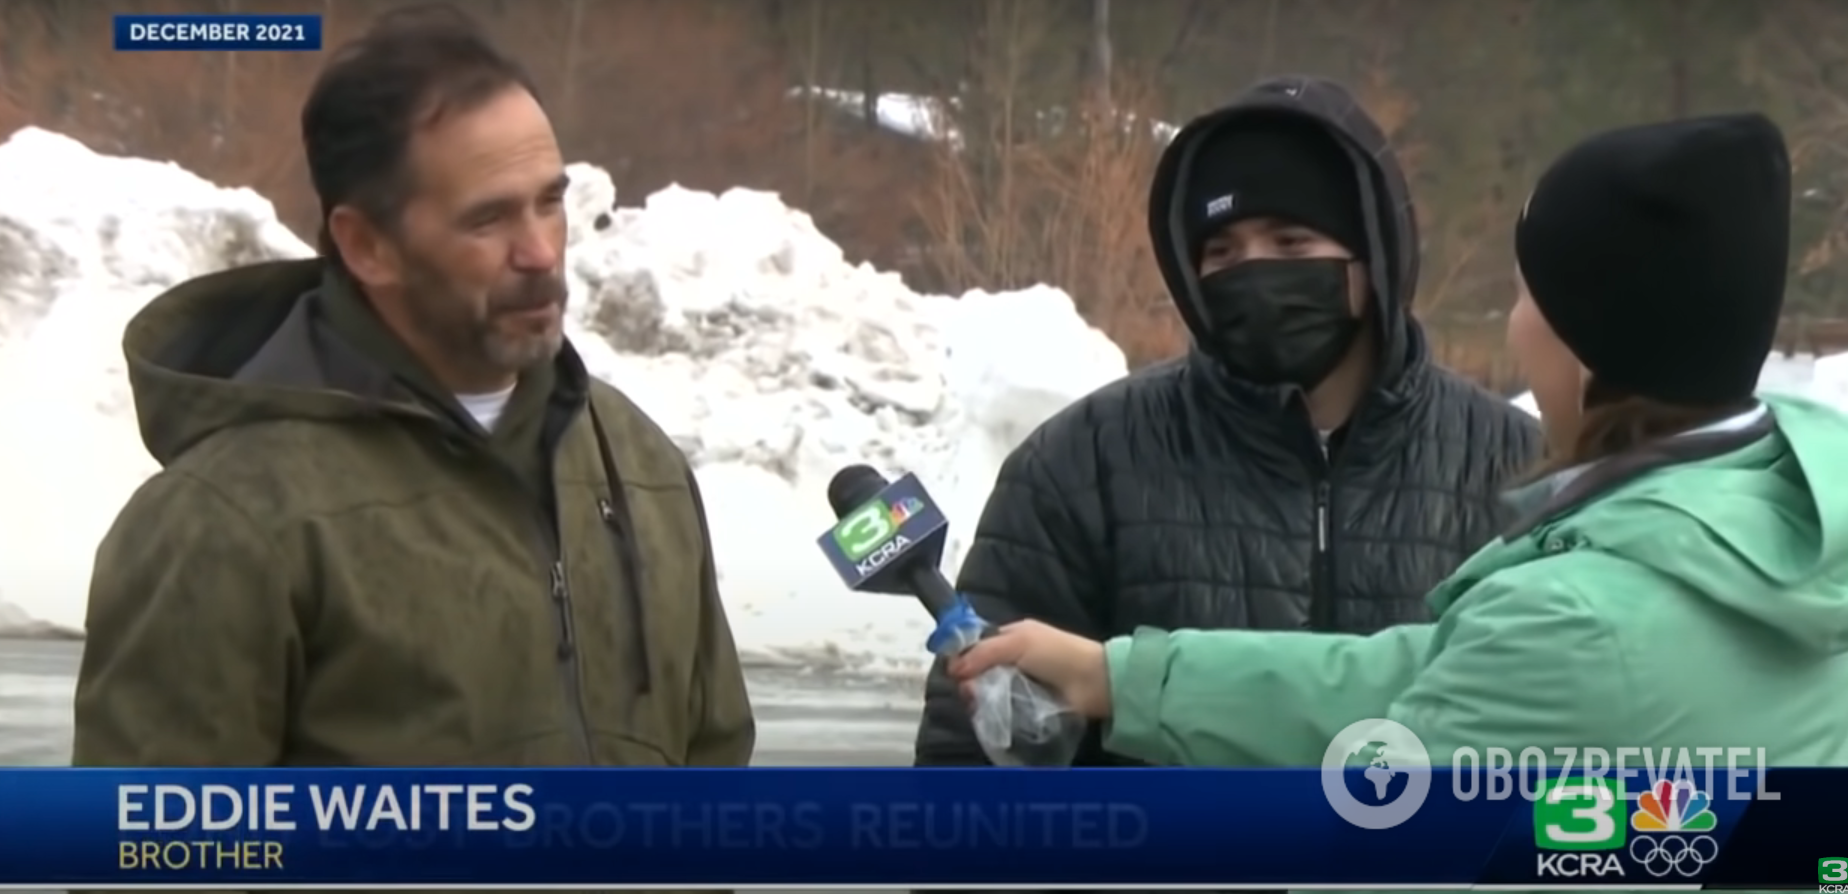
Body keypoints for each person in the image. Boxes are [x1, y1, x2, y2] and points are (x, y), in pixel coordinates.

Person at [947, 114, 1848, 775]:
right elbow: (1417, 673)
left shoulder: (1561, 598)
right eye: (1222, 250)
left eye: (1293, 240)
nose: (1514, 321)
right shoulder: (1792, 535)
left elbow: (1428, 754)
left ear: (1589, 337)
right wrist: (1127, 678)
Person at [71, 5, 755, 768]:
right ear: (367, 246)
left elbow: (712, 771)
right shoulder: (224, 523)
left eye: (550, 203)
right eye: (488, 218)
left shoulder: (637, 464)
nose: (539, 252)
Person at [914, 75, 1542, 767]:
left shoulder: (1517, 467)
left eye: (1292, 242)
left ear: (1377, 256)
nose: (1254, 271)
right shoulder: (1082, 461)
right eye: (1223, 252)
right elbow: (971, 751)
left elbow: (1565, 722)